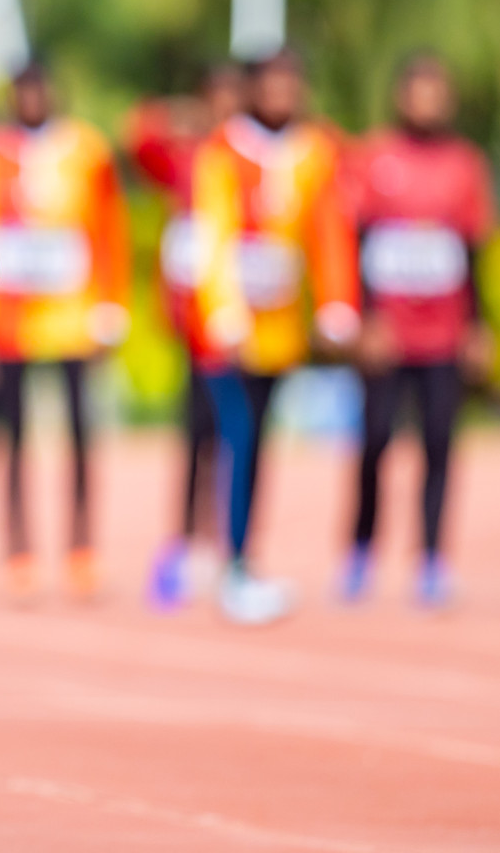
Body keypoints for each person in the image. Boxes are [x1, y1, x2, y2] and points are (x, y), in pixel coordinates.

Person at [0, 67, 129, 600]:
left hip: (72, 320)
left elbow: (110, 229)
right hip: (10, 324)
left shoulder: (88, 152)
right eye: (25, 91)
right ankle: (19, 550)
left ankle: (82, 547)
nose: (34, 99)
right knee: (9, 440)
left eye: (42, 89)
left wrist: (111, 305)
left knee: (82, 438)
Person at [189, 48, 359, 625]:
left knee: (258, 446)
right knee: (236, 439)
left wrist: (337, 303)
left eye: (293, 83)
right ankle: (232, 566)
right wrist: (223, 310)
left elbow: (329, 230)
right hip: (230, 333)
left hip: (280, 331)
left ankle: (241, 559)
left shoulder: (315, 152)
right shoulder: (223, 151)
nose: (283, 94)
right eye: (273, 83)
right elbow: (212, 232)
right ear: (254, 89)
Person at [343, 54, 494, 607]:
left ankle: (432, 557)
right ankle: (360, 551)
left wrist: (479, 325)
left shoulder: (465, 164)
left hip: (443, 334)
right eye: (418, 91)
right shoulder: (373, 157)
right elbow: (356, 244)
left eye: (438, 91)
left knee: (439, 443)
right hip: (388, 332)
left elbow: (474, 251)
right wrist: (365, 318)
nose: (427, 102)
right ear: (401, 96)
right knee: (375, 440)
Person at [128, 64, 246, 608]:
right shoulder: (190, 157)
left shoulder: (254, 162)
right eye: (215, 100)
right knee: (197, 434)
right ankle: (183, 546)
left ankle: (229, 548)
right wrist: (186, 115)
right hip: (198, 326)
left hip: (249, 322)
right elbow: (139, 133)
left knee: (237, 439)